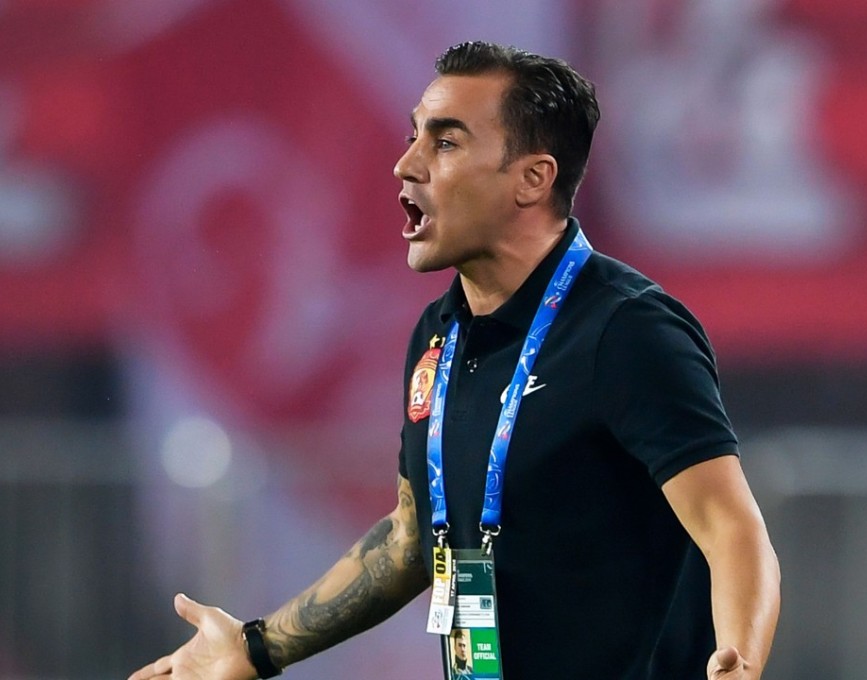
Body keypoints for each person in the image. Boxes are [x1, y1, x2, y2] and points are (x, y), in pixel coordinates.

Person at [128, 40, 780, 680]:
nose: (405, 164)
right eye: (414, 136)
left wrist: (740, 663)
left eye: (445, 143)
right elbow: (413, 538)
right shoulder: (437, 336)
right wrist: (257, 648)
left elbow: (731, 529)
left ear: (533, 178)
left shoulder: (627, 330)